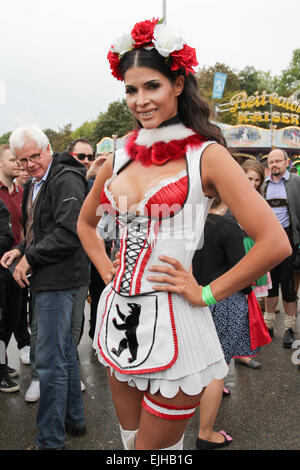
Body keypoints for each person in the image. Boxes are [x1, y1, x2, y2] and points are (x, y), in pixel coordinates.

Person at [77, 18, 290, 450]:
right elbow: (85, 223)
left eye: (151, 86)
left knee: (155, 453)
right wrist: (105, 268)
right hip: (119, 318)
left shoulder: (206, 155)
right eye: (130, 90)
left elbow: (274, 241)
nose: (140, 100)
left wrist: (207, 293)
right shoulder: (118, 157)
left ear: (177, 84)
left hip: (178, 323)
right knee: (129, 443)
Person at [1, 126, 89, 449]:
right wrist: (21, 250)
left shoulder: (65, 177)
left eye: (34, 156)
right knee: (63, 352)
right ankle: (74, 422)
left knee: (50, 362)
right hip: (49, 277)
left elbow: (69, 231)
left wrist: (31, 258)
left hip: (60, 279)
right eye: (23, 160)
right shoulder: (33, 182)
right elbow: (39, 228)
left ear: (48, 149)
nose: (29, 165)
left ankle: (50, 441)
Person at [192, 195, 269, 449]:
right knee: (218, 364)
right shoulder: (228, 228)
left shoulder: (189, 224)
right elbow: (242, 271)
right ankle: (206, 434)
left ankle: (207, 395)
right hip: (222, 299)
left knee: (202, 357)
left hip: (192, 297)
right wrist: (248, 293)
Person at [262, 149, 300, 347]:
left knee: (288, 286)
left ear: (287, 162)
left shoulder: (296, 182)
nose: (274, 164)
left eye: (278, 161)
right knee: (270, 284)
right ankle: (268, 326)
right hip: (267, 240)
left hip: (288, 238)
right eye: (271, 161)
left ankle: (289, 328)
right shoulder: (263, 184)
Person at [0, 145, 29, 371]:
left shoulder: (23, 193)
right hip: (0, 264)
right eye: (12, 160)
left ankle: (2, 363)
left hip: (18, 264)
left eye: (19, 160)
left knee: (12, 318)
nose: (18, 164)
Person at [0, 198, 19, 392]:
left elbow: (6, 236)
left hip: (6, 270)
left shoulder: (0, 206)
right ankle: (1, 369)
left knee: (9, 322)